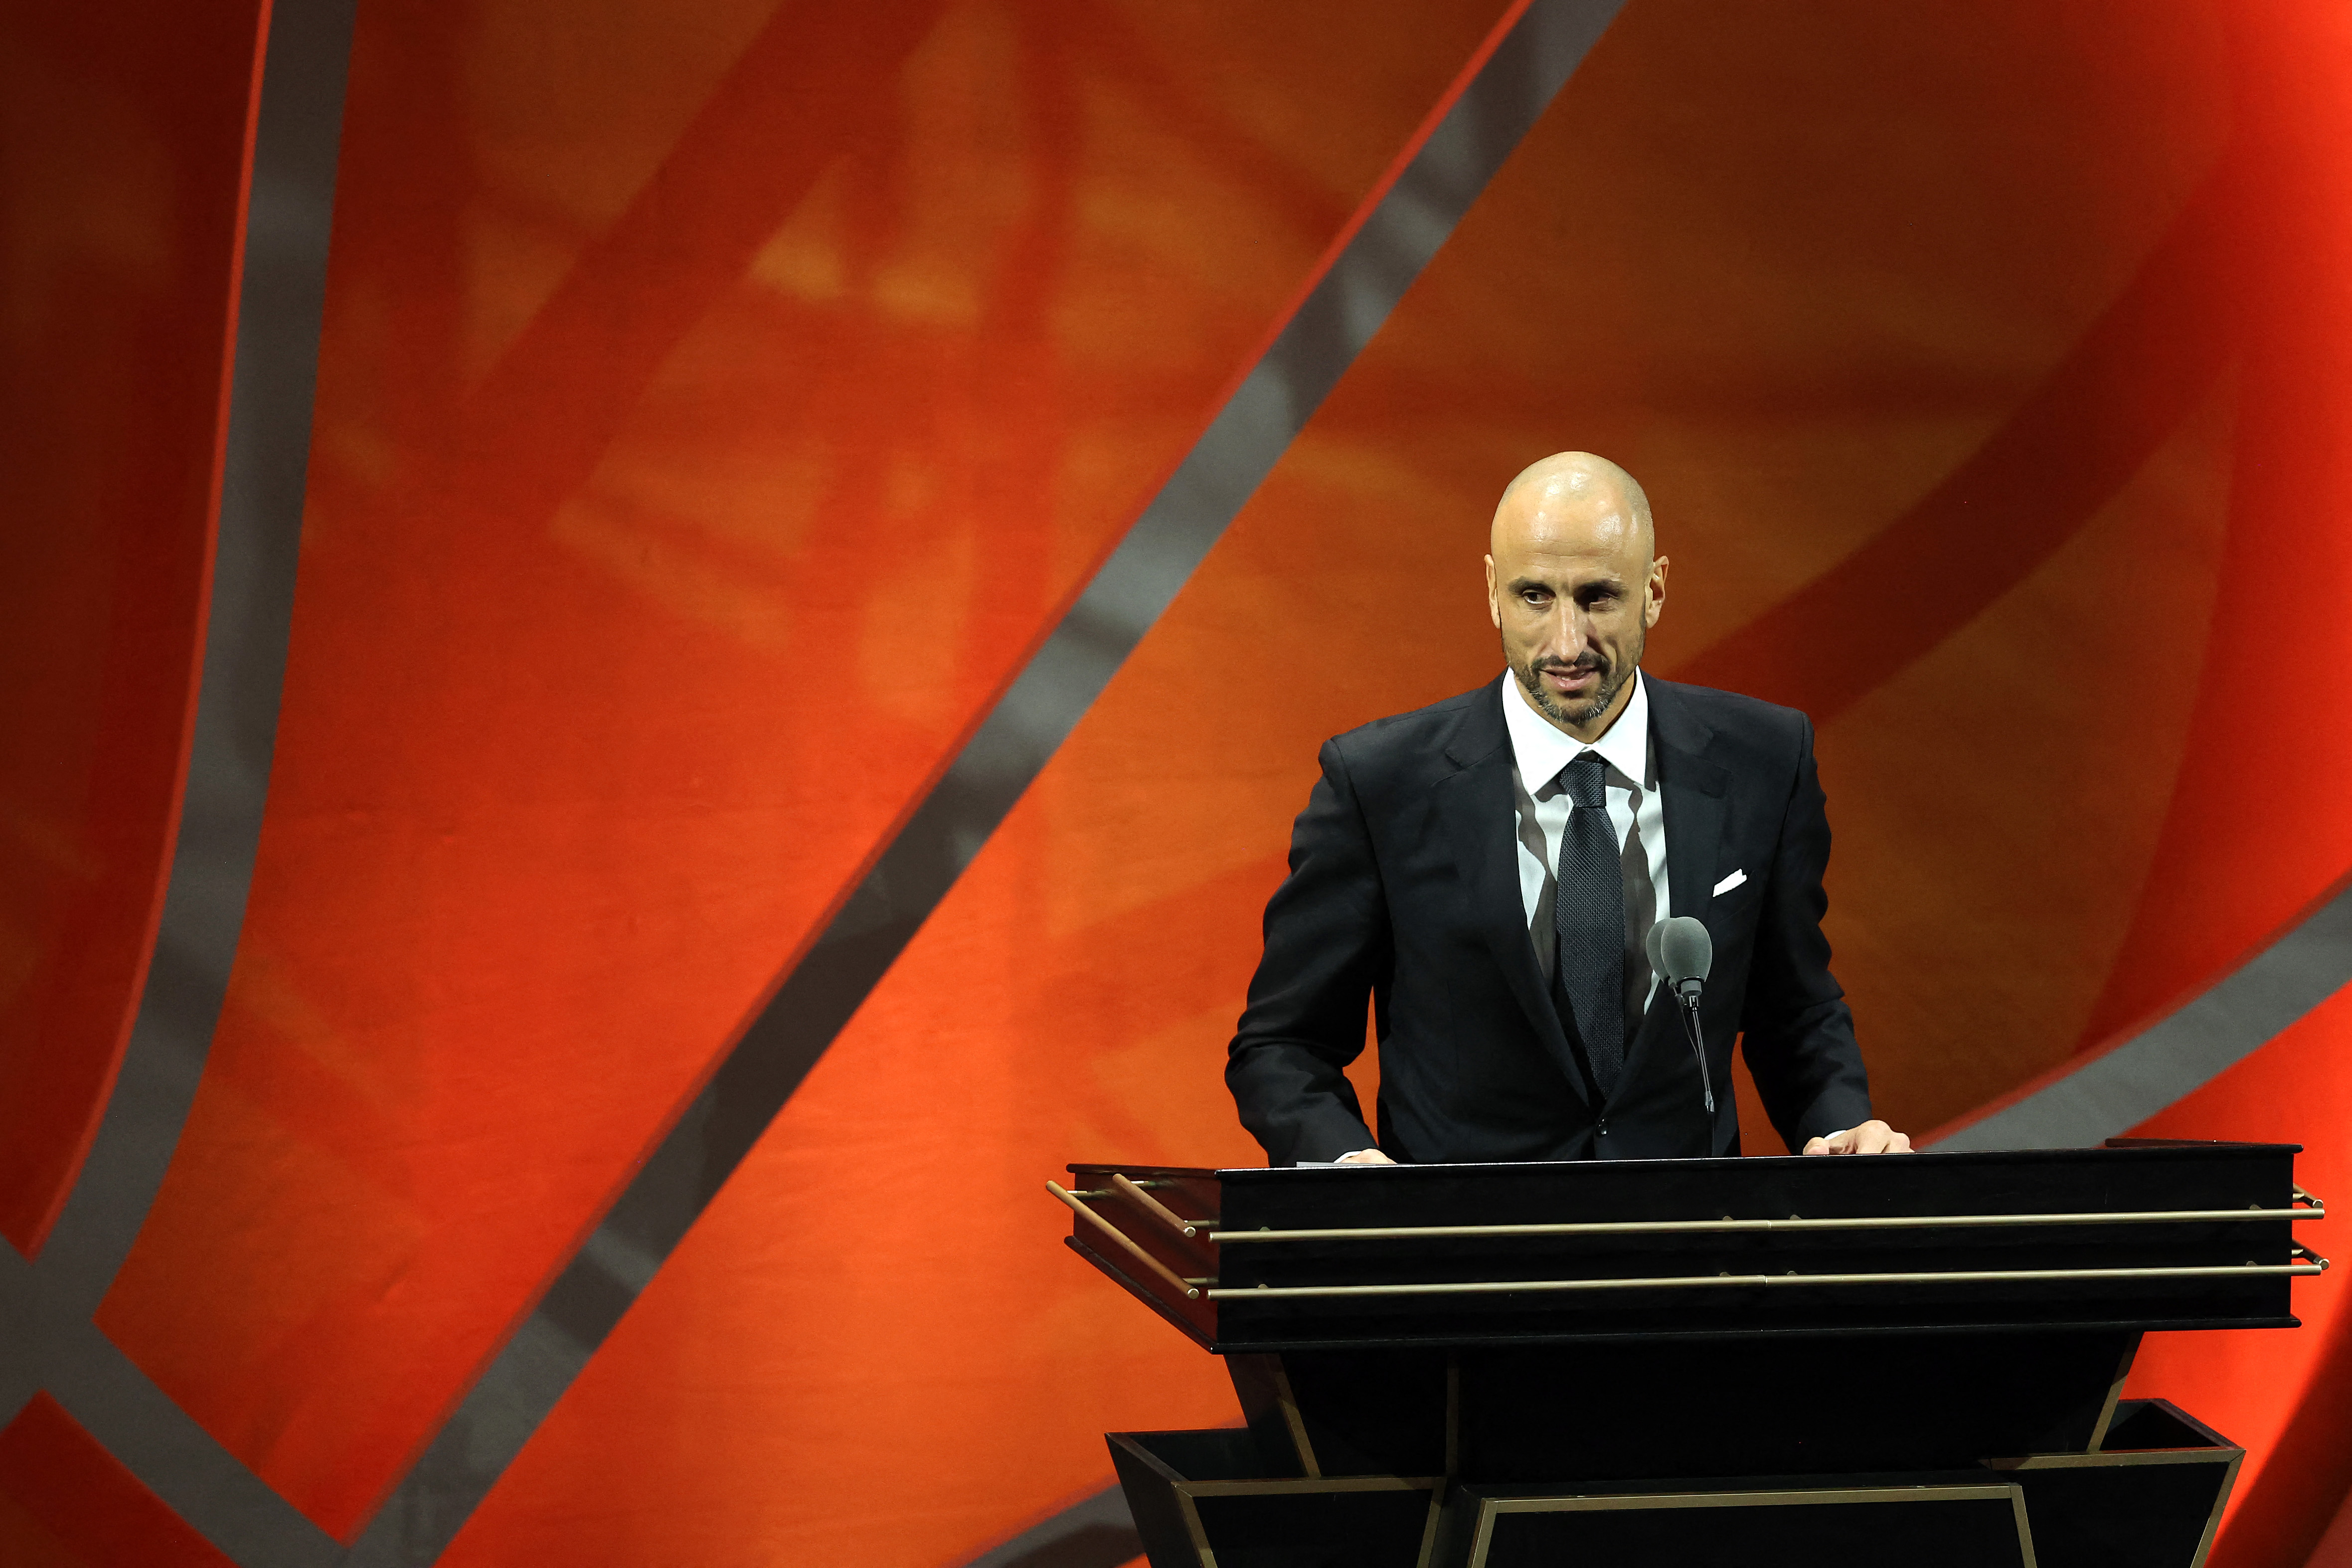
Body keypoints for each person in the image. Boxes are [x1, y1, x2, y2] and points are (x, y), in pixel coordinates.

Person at [1225, 452, 1909, 1166]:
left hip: (1685, 1253)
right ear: (1492, 590)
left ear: (1654, 589)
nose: (1565, 643)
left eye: (1596, 597)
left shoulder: (1765, 760)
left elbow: (1793, 1011)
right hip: (1463, 1259)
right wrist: (1345, 1164)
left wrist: (1838, 1128)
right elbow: (1283, 1044)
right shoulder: (1378, 783)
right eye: (1533, 596)